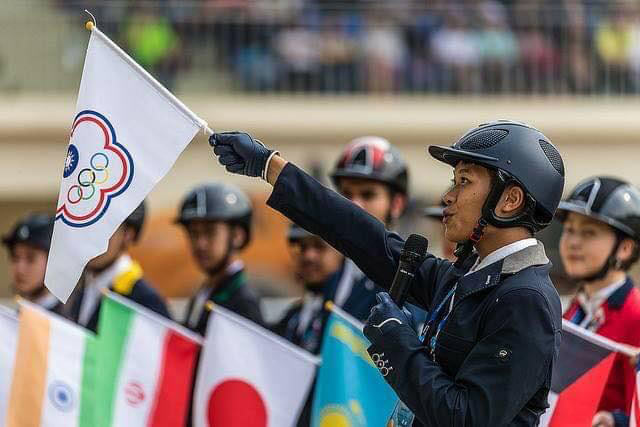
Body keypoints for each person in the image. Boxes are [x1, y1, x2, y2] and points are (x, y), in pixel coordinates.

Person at [209, 119, 565, 426]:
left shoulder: (524, 299)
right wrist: (270, 167)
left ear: (510, 200)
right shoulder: (471, 275)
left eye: (464, 182)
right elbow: (365, 237)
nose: (448, 196)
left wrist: (397, 341)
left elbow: (466, 418)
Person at [556, 176, 640, 427]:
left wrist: (617, 422)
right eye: (569, 230)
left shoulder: (636, 315)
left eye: (589, 232)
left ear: (624, 248)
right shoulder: (571, 311)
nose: (573, 242)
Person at [327, 136, 411, 321]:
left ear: (396, 204)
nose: (354, 205)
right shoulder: (333, 273)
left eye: (368, 195)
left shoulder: (407, 278)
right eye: (347, 194)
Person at [63, 202, 170, 332]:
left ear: (128, 235)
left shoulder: (144, 301)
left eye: (102, 229)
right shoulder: (80, 291)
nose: (90, 238)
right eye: (86, 226)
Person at [176, 182, 263, 335]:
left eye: (210, 232)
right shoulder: (205, 292)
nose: (200, 244)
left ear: (237, 235)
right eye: (193, 233)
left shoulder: (243, 304)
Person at [272, 223, 344, 355]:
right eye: (302, 247)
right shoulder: (290, 319)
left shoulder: (348, 319)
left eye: (319, 246)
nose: (308, 256)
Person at [2, 213, 61, 312]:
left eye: (31, 259)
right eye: (15, 258)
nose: (20, 269)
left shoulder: (73, 318)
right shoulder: (13, 315)